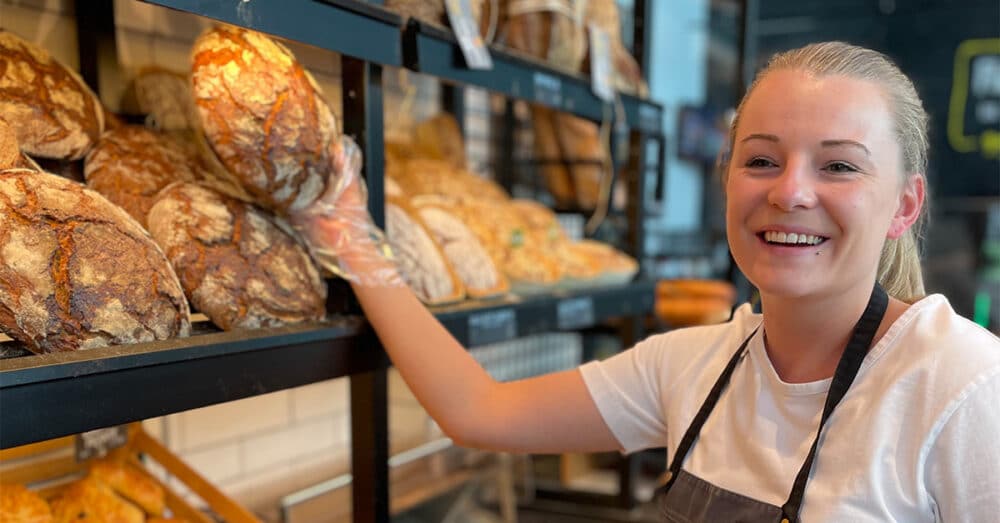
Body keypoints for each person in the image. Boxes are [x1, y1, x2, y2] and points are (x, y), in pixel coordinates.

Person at [300, 41, 1000, 522]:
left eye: (838, 166)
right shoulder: (692, 366)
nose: (790, 192)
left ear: (903, 205)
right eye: (761, 159)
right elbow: (477, 410)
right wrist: (350, 238)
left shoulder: (959, 382)